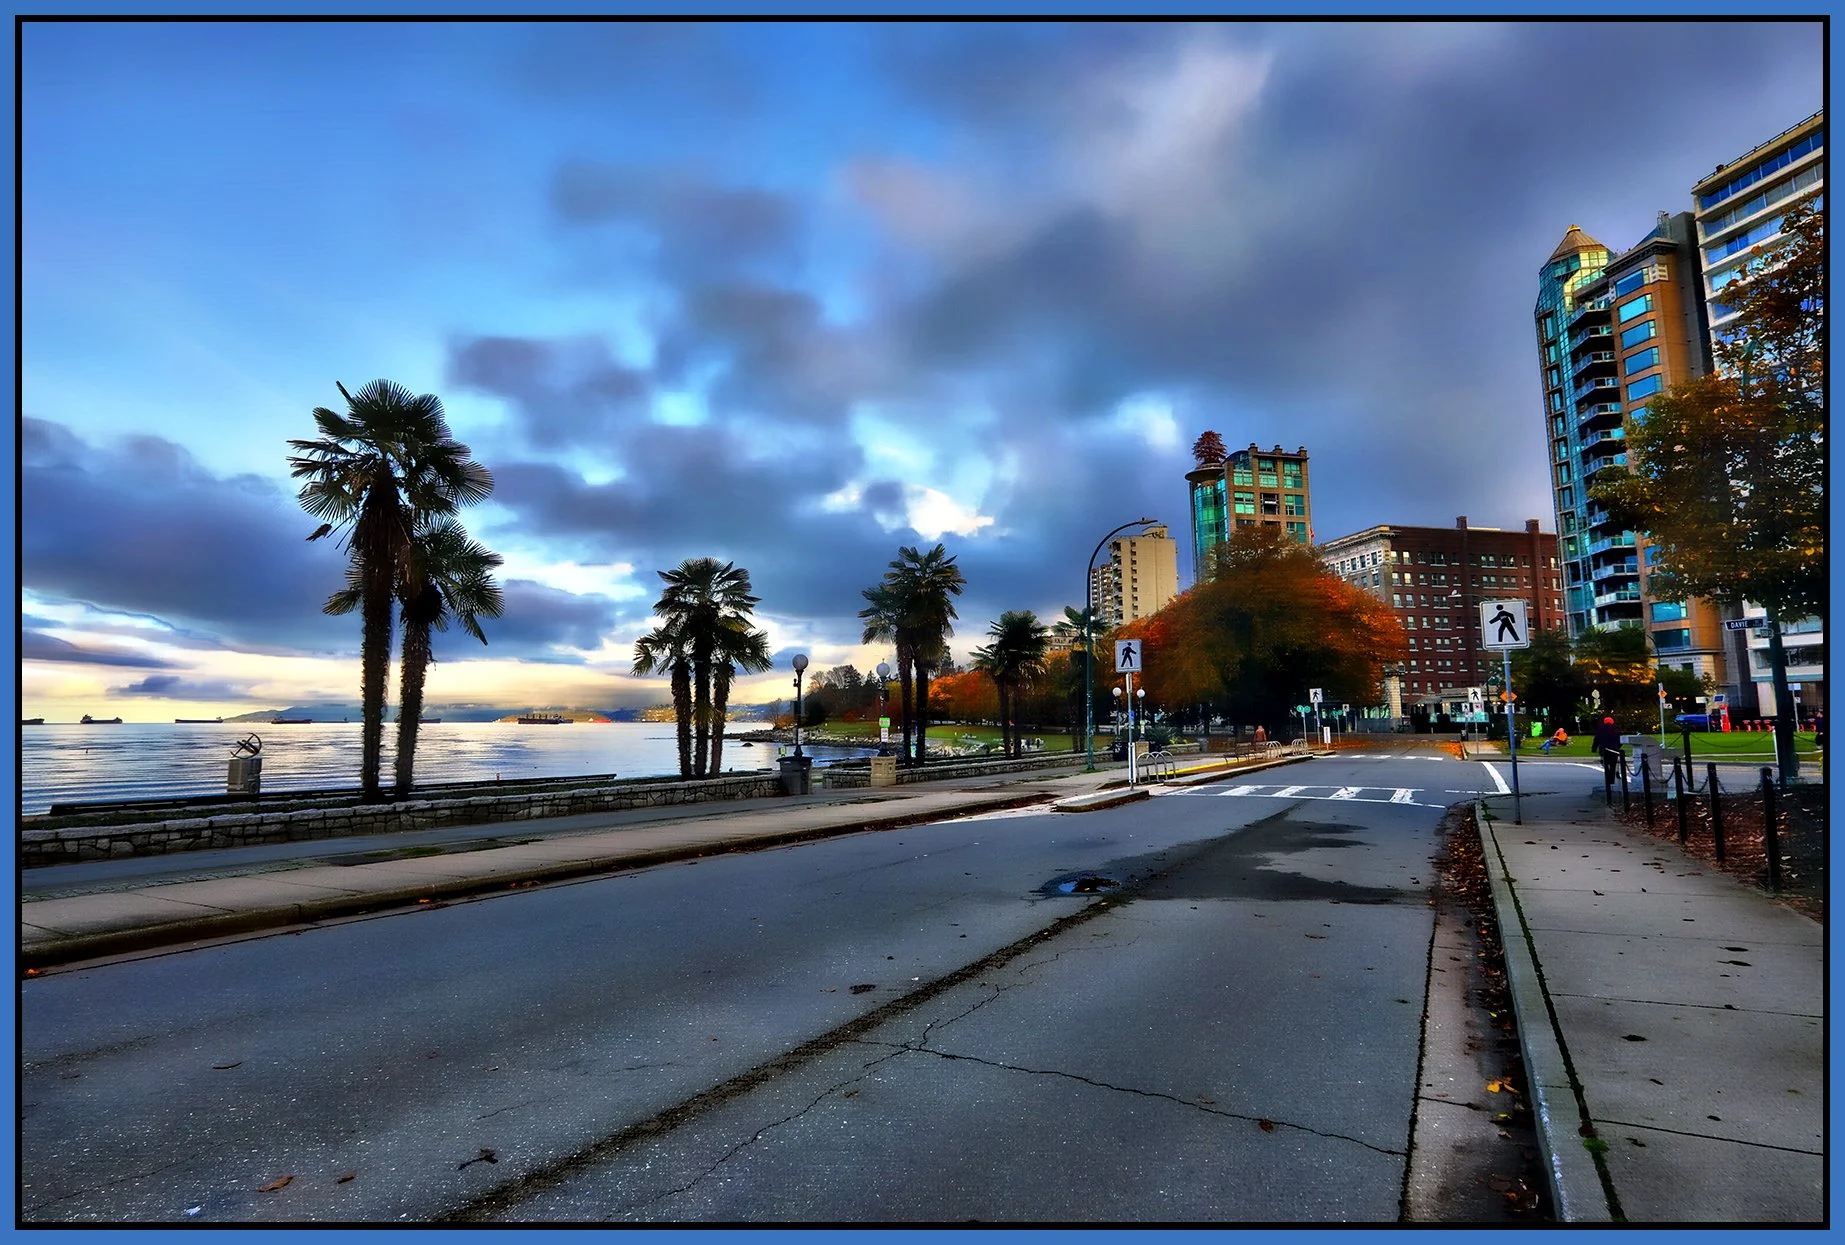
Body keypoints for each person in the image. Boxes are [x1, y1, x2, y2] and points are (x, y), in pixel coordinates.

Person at [1592, 715, 1624, 786]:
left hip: (1604, 749)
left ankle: (1607, 777)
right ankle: (1611, 780)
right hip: (1614, 749)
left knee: (1605, 763)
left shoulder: (1601, 729)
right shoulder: (1616, 730)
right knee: (1613, 764)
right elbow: (1620, 741)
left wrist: (1594, 748)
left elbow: (1597, 739)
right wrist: (1618, 747)